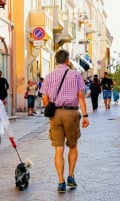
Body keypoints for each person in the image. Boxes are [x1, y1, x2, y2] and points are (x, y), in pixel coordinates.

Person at [39, 49, 89, 193]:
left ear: (56, 61)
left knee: (58, 149)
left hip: (55, 114)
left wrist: (50, 105)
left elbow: (45, 98)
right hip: (71, 113)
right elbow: (80, 96)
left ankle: (60, 182)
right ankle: (70, 176)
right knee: (72, 146)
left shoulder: (49, 76)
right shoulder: (75, 75)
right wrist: (85, 116)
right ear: (68, 60)